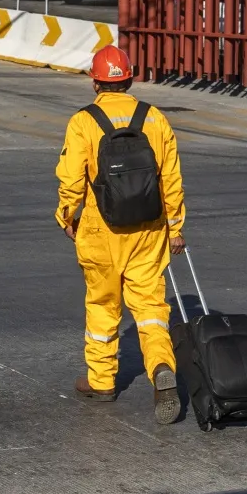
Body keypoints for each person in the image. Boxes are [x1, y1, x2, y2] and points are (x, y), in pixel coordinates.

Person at [54, 44, 184, 423]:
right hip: (149, 226)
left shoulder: (84, 121)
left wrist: (66, 214)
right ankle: (161, 366)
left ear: (96, 83)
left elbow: (71, 177)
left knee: (103, 304)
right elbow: (171, 179)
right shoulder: (155, 118)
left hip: (101, 227)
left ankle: (102, 381)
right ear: (129, 78)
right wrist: (175, 228)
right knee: (150, 308)